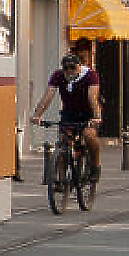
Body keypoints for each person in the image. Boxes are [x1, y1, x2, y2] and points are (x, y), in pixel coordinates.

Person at [31, 48, 103, 180]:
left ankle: (95, 166)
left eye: (72, 67)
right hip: (69, 113)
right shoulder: (57, 76)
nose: (69, 71)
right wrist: (37, 115)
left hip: (88, 114)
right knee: (63, 143)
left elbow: (92, 97)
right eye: (66, 68)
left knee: (89, 136)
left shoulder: (90, 75)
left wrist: (96, 117)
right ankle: (61, 180)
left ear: (79, 66)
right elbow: (48, 96)